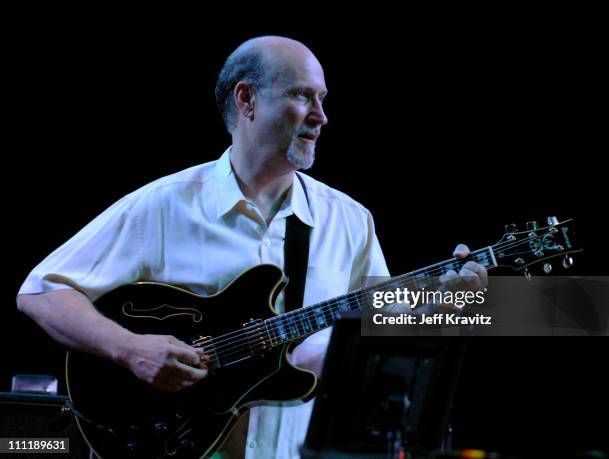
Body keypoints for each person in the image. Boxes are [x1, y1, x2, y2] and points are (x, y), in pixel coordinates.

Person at [17, 36, 487, 459]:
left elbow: (379, 347)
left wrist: (449, 307)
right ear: (247, 100)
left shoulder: (350, 220)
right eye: (303, 96)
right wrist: (129, 349)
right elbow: (40, 292)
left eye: (322, 99)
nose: (321, 116)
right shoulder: (162, 205)